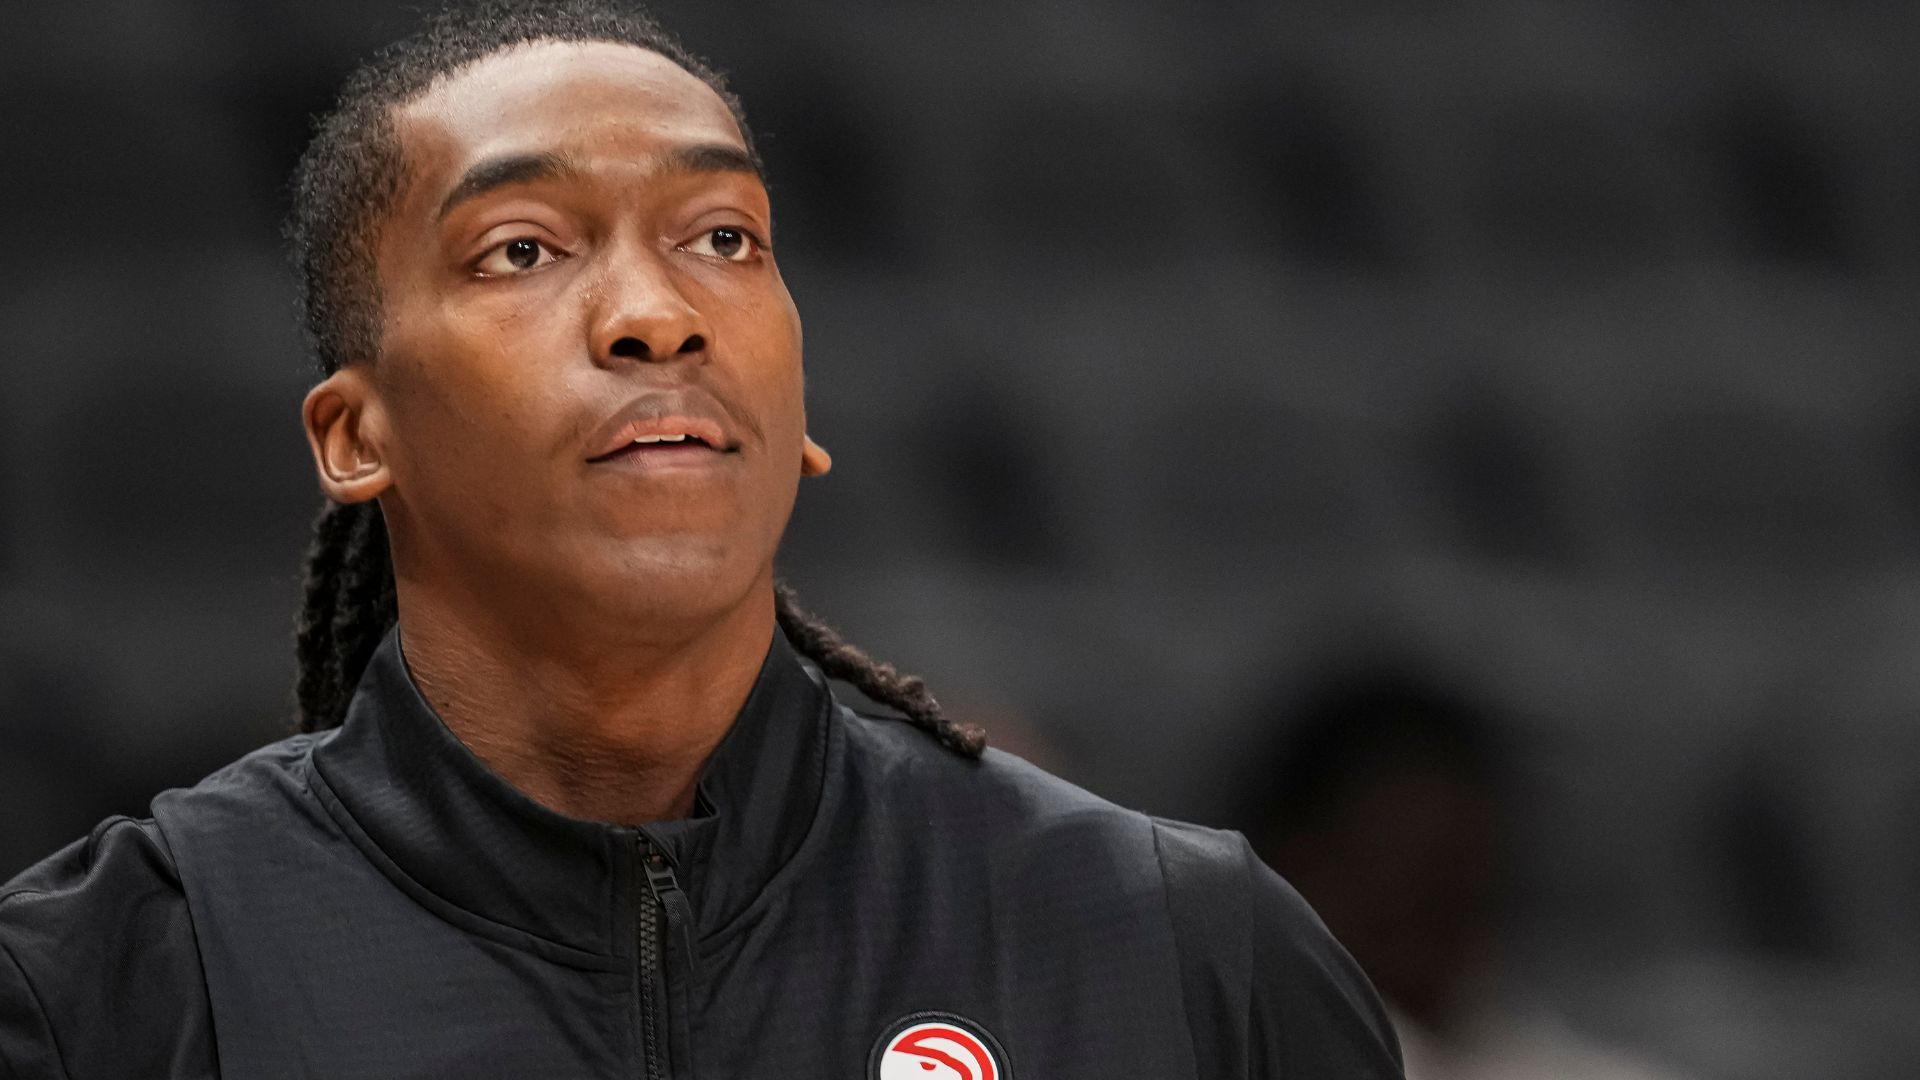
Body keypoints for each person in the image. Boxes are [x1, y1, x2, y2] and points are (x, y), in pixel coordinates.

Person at [0, 2, 1404, 1076]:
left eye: (723, 236)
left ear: (797, 408)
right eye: (524, 250)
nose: (657, 313)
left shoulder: (1177, 949)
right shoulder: (115, 985)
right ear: (357, 439)